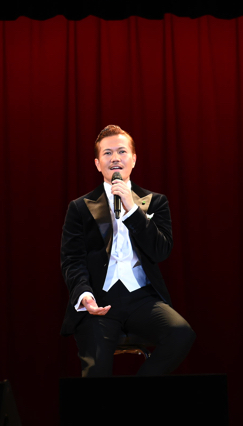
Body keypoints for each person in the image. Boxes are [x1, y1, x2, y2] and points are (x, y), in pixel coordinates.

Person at [60, 125, 195, 377]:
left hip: (142, 299)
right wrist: (84, 295)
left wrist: (132, 210)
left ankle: (133, 396)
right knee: (96, 371)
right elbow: (72, 259)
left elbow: (160, 251)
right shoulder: (79, 207)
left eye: (122, 151)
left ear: (133, 159)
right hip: (99, 300)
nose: (115, 158)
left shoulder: (156, 202)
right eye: (107, 153)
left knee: (181, 333)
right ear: (97, 164)